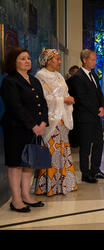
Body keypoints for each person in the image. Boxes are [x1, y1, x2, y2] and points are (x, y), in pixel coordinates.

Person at [0, 47, 48, 212]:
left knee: (28, 163)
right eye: (22, 58)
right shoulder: (9, 81)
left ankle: (26, 196)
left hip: (34, 129)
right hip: (16, 129)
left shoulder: (34, 80)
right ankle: (16, 200)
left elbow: (42, 103)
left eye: (28, 58)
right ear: (14, 62)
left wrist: (43, 122)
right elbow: (16, 107)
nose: (27, 61)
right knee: (16, 164)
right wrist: (33, 125)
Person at [32, 49, 78, 196]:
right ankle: (49, 186)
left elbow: (64, 93)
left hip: (62, 118)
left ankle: (63, 184)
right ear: (48, 60)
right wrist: (63, 100)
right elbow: (42, 99)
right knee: (51, 152)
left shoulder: (59, 76)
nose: (59, 61)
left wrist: (68, 99)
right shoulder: (40, 76)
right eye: (57, 59)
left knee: (62, 151)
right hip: (51, 119)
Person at [68, 49, 104, 183]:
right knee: (85, 147)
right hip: (85, 118)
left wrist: (102, 106)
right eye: (92, 59)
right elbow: (82, 99)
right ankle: (86, 174)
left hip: (95, 117)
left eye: (95, 59)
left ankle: (95, 170)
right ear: (84, 60)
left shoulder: (94, 75)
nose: (95, 62)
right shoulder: (77, 77)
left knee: (99, 143)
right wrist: (96, 110)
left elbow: (99, 94)